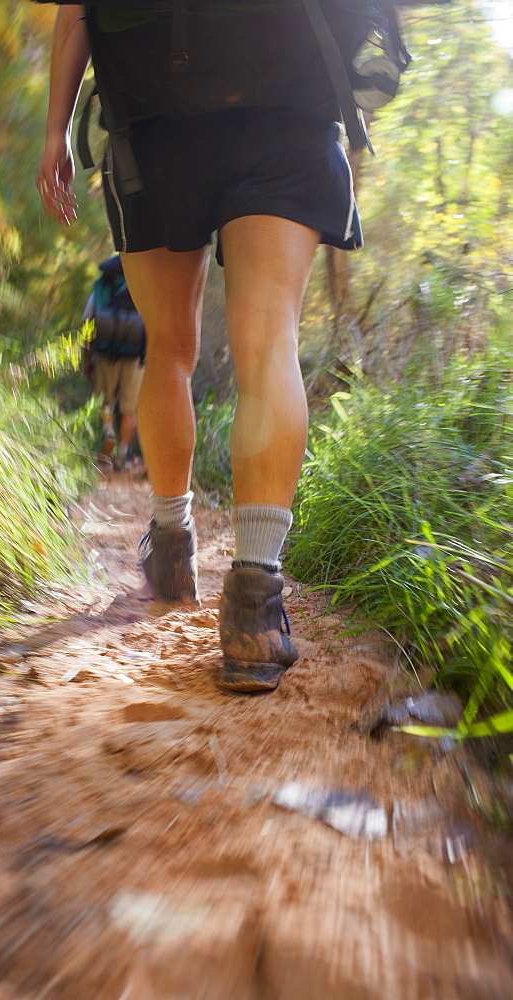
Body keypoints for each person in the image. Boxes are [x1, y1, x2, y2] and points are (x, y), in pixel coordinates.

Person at [36, 0, 363, 693]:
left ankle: (171, 542)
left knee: (171, 347)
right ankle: (254, 599)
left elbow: (77, 13)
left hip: (155, 122)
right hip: (288, 101)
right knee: (268, 336)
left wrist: (55, 135)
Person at [82, 254, 145, 471]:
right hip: (135, 357)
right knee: (129, 409)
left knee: (105, 402)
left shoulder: (102, 287)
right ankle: (123, 455)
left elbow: (88, 324)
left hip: (104, 352)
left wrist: (86, 358)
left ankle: (109, 432)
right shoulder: (142, 285)